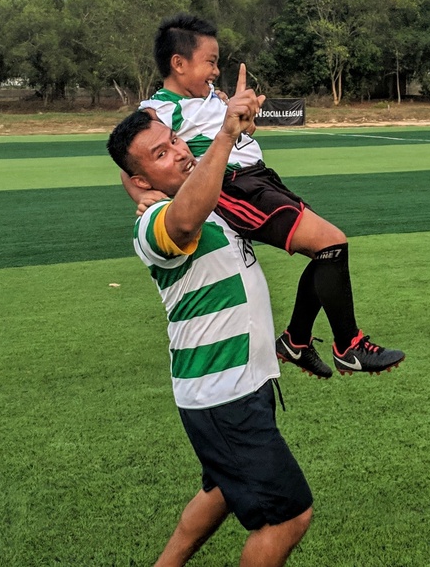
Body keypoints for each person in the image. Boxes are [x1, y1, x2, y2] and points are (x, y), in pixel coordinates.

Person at [107, 66, 313, 567]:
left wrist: (232, 131)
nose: (178, 150)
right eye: (161, 154)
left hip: (241, 380)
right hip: (223, 392)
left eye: (174, 139)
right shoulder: (155, 223)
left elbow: (206, 182)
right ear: (139, 179)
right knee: (287, 516)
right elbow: (184, 218)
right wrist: (223, 132)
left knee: (222, 486)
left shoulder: (202, 188)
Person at [126, 13, 403, 378]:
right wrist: (146, 200)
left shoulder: (211, 97)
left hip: (261, 179)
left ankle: (296, 342)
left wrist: (243, 119)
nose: (215, 69)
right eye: (209, 61)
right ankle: (347, 346)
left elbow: (232, 128)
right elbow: (130, 161)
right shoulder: (158, 110)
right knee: (331, 243)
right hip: (235, 187)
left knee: (329, 250)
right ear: (178, 63)